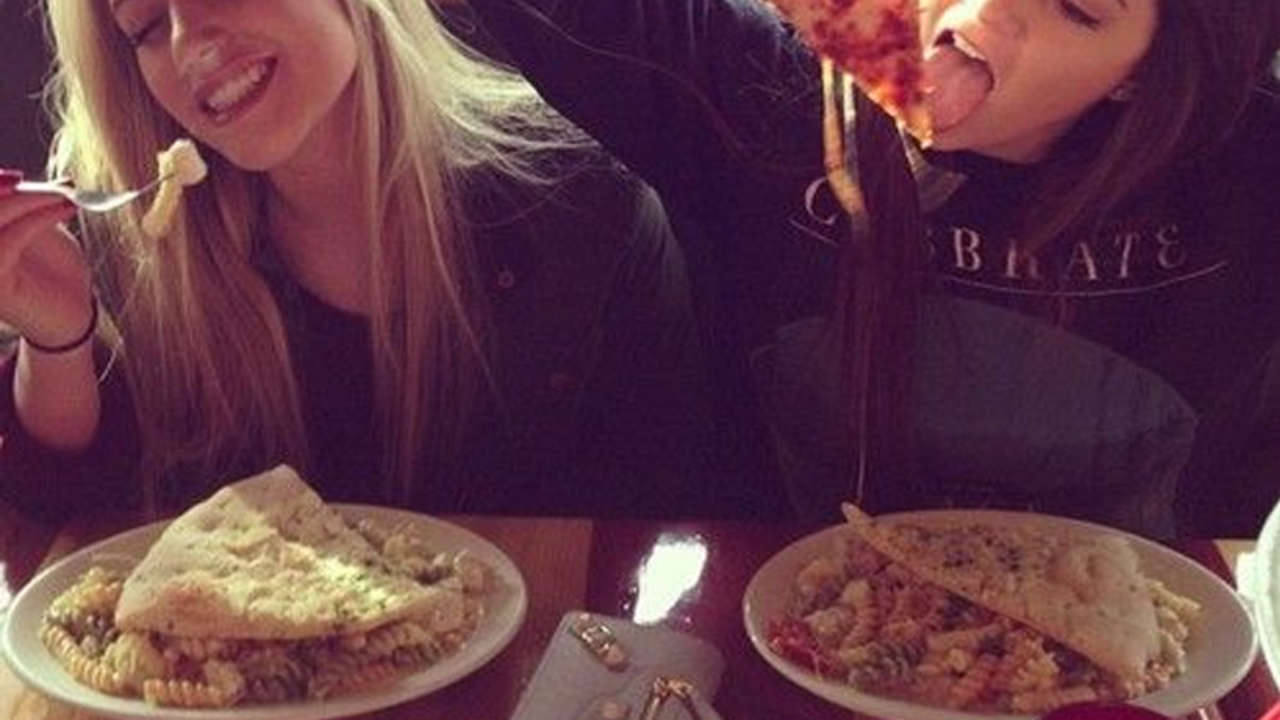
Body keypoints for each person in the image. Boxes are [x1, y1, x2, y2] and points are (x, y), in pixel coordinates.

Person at [457, 0, 1280, 538]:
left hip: (1142, 658)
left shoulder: (1248, 173)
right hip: (786, 637)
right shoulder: (771, 85)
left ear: (1143, 73)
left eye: (1076, 7)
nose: (978, 15)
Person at [0, 0, 720, 521]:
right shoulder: (145, 247)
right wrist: (57, 337)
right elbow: (80, 530)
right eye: (146, 25)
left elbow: (660, 521)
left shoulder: (585, 205)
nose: (189, 42)